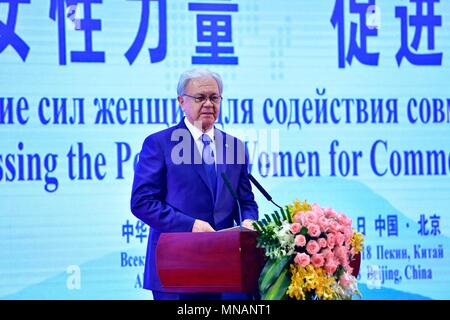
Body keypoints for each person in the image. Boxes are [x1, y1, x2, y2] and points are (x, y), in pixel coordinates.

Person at [130, 68, 259, 300]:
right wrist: (190, 225)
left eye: (214, 97)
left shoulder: (235, 146)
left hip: (227, 269)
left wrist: (248, 221)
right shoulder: (159, 143)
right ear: (181, 101)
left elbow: (246, 201)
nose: (209, 104)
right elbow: (142, 203)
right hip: (175, 267)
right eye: (200, 98)